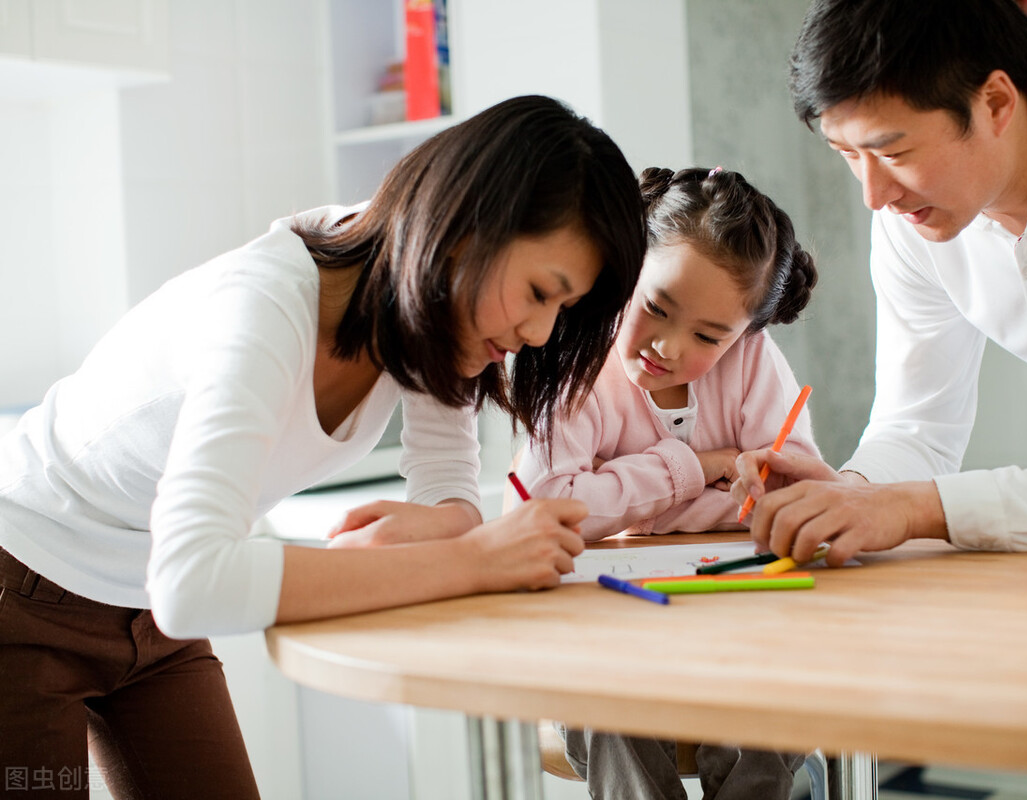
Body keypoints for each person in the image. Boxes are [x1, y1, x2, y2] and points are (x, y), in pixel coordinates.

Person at [0, 94, 645, 799]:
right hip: (22, 591)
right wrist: (472, 558)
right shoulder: (267, 308)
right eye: (538, 292)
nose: (542, 335)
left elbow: (447, 488)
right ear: (466, 231)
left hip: (145, 611)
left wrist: (456, 532)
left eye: (564, 309)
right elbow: (192, 584)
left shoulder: (417, 309)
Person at [733, 0, 1027, 572]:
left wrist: (912, 508)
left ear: (996, 103)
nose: (874, 195)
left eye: (893, 151)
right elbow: (917, 429)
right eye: (848, 155)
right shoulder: (913, 213)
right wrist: (846, 493)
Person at [517, 165, 819, 799]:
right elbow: (551, 506)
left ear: (746, 334)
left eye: (709, 336)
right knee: (613, 713)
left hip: (739, 613)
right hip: (611, 621)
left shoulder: (754, 363)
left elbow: (794, 491)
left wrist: (628, 499)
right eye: (655, 307)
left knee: (768, 705)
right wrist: (699, 468)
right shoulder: (578, 362)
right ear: (628, 272)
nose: (668, 348)